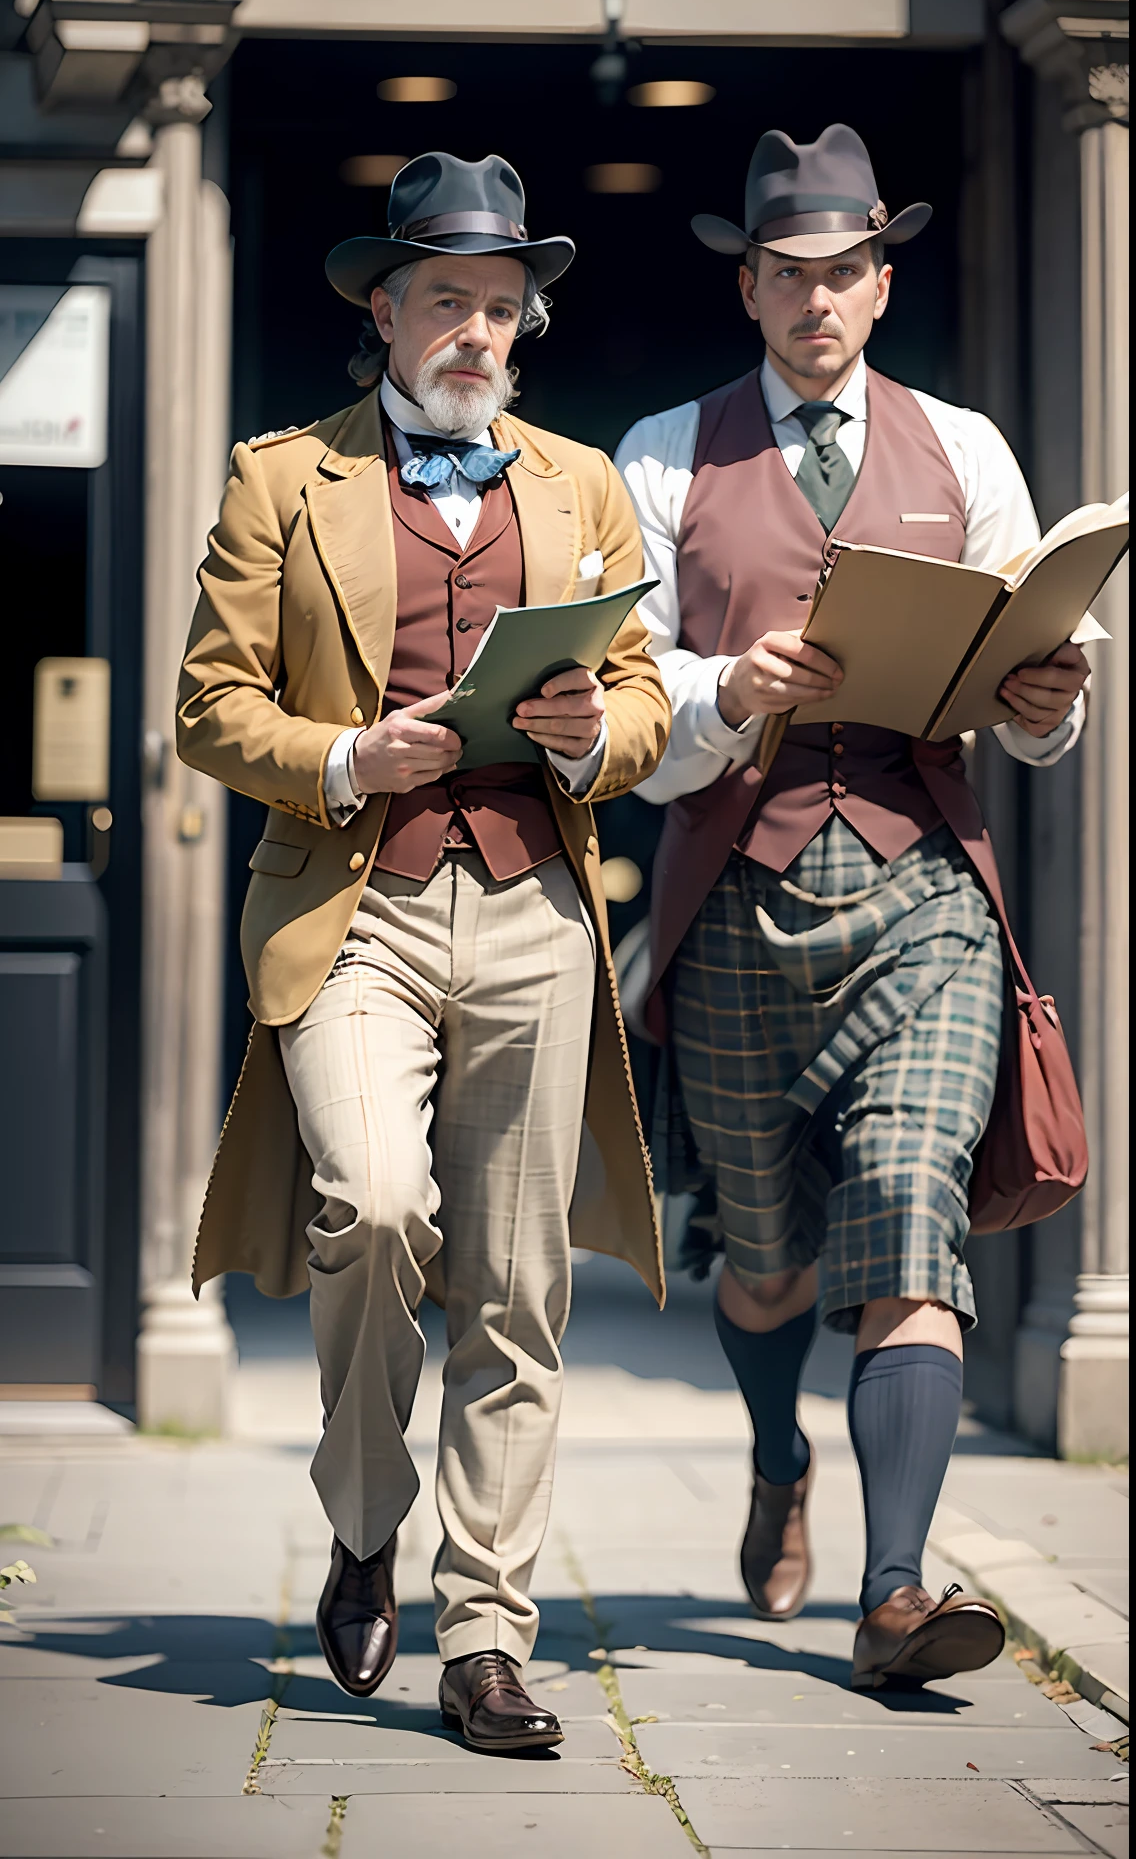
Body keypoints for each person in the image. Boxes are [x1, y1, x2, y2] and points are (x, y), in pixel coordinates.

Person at [178, 153, 668, 1749]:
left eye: (502, 306)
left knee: (517, 1282)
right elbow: (210, 705)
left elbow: (652, 696)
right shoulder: (282, 479)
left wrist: (602, 730)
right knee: (374, 1205)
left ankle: (489, 1640)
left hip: (534, 903)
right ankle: (366, 1518)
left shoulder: (581, 484)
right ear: (382, 309)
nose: (477, 328)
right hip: (355, 903)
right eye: (446, 298)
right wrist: (342, 758)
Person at [615, 124, 1090, 1692]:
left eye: (848, 272)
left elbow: (1033, 690)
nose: (820, 299)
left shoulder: (966, 449)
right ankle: (774, 1457)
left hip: (926, 890)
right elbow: (625, 701)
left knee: (908, 1221)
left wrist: (1045, 689)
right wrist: (721, 689)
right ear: (750, 285)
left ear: (882, 285)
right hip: (736, 893)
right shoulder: (666, 453)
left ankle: (894, 1598)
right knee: (763, 1261)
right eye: (790, 274)